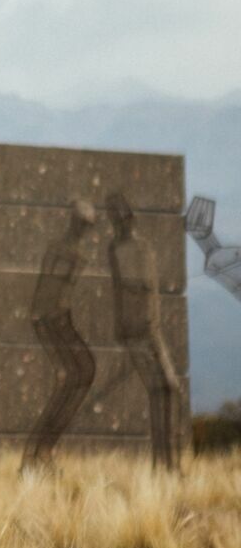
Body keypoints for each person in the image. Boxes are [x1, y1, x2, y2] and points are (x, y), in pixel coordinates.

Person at [94, 193, 183, 471]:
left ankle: (168, 462)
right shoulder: (120, 249)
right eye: (116, 217)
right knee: (161, 388)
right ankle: (164, 463)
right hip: (137, 329)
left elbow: (146, 288)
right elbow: (133, 285)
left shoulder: (139, 247)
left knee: (167, 388)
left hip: (148, 327)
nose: (122, 221)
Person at [21, 200, 98, 473]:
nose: (85, 230)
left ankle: (42, 451)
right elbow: (52, 290)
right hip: (52, 318)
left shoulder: (69, 251)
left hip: (56, 317)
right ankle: (39, 452)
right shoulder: (67, 252)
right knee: (75, 375)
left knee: (81, 374)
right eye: (83, 224)